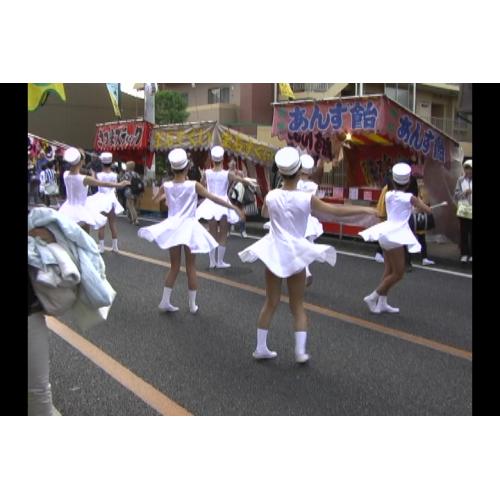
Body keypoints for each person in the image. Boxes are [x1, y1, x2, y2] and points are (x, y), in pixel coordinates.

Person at [238, 147, 377, 363]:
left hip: (274, 252)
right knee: (297, 305)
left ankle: (260, 348)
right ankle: (300, 352)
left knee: (271, 301)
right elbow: (335, 211)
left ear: (281, 172)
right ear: (299, 171)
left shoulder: (272, 195)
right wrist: (366, 210)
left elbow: (265, 213)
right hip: (296, 253)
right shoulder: (306, 198)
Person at [138, 148, 245, 313]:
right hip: (189, 228)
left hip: (173, 227)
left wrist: (166, 197)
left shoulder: (166, 185)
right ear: (187, 167)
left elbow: (156, 199)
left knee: (174, 266)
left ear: (172, 168)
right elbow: (214, 198)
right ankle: (192, 305)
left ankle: (165, 301)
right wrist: (233, 207)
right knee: (190, 267)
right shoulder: (194, 185)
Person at [359, 163, 433, 315]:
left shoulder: (388, 195)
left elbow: (401, 209)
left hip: (385, 233)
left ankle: (382, 303)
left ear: (393, 180)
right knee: (399, 273)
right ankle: (373, 297)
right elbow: (427, 210)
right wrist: (426, 208)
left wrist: (412, 209)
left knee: (389, 270)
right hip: (396, 235)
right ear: (408, 182)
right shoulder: (410, 197)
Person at [196, 146, 256, 268]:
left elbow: (201, 185)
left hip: (210, 203)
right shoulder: (227, 174)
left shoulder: (207, 173)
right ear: (222, 159)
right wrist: (250, 182)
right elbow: (240, 179)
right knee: (223, 233)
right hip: (223, 204)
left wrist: (203, 177)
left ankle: (212, 262)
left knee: (211, 232)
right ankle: (219, 262)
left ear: (212, 159)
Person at [58, 147, 130, 233]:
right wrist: (119, 184)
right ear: (81, 161)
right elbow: (103, 183)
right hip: (80, 210)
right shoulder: (84, 179)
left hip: (67, 208)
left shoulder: (66, 174)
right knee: (84, 236)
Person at [86, 152, 125, 253]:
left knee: (101, 224)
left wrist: (92, 173)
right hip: (112, 199)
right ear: (110, 163)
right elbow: (115, 186)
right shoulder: (115, 175)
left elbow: (93, 182)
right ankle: (115, 247)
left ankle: (101, 247)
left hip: (101, 199)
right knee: (113, 223)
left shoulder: (98, 175)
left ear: (102, 163)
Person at [297, 154, 324, 286]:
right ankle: (306, 271)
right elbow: (315, 203)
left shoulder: (294, 184)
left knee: (296, 246)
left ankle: (305, 271)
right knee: (308, 244)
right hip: (308, 217)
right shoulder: (314, 186)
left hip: (295, 218)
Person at [454, 159, 472, 263]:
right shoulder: (460, 180)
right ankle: (464, 254)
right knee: (464, 233)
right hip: (464, 210)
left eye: (470, 169)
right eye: (466, 168)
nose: (468, 171)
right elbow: (456, 195)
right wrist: (464, 193)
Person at [122, 161, 142, 226]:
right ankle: (131, 218)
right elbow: (140, 181)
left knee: (131, 206)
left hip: (129, 190)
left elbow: (124, 181)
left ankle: (135, 219)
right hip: (136, 191)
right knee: (130, 205)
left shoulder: (126, 174)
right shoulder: (136, 174)